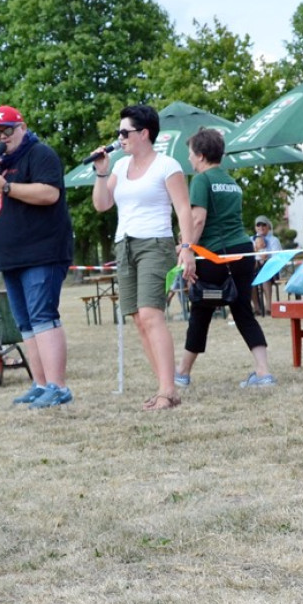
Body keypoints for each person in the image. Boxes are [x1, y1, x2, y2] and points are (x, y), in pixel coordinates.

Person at [0, 105, 73, 408]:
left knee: (43, 317)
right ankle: (40, 384)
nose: (2, 137)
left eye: (7, 130)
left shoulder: (40, 154)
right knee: (25, 323)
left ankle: (58, 386)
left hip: (41, 252)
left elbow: (49, 194)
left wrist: (7, 187)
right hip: (10, 258)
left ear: (22, 127)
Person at [90, 104, 193, 410]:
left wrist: (187, 248)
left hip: (155, 243)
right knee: (138, 318)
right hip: (124, 245)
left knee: (151, 315)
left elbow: (183, 209)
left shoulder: (167, 165)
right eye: (119, 132)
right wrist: (101, 172)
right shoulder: (120, 167)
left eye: (125, 132)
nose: (120, 138)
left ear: (144, 133)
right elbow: (102, 204)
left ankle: (168, 391)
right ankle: (164, 386)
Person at [175, 127, 276, 389]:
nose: (189, 158)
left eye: (190, 153)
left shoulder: (201, 180)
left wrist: (187, 248)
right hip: (242, 252)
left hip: (215, 256)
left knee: (200, 310)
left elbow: (198, 219)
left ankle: (182, 374)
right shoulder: (232, 182)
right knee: (243, 310)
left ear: (200, 155)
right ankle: (263, 373)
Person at [251, 215, 283, 316]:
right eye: (258, 225)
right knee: (250, 279)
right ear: (255, 227)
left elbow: (276, 258)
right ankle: (256, 308)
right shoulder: (251, 239)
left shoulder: (274, 240)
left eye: (263, 225)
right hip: (254, 267)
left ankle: (268, 307)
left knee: (265, 278)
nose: (261, 227)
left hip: (270, 268)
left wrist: (264, 258)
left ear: (268, 226)